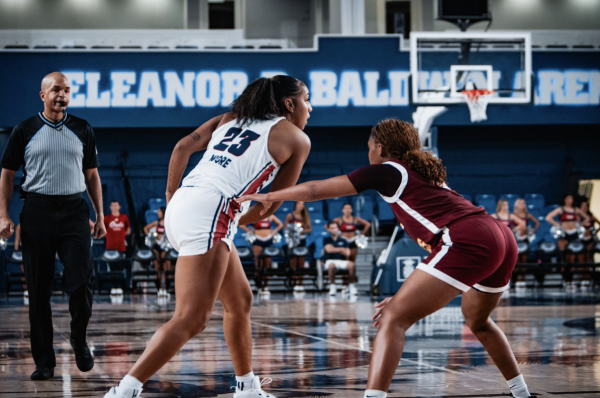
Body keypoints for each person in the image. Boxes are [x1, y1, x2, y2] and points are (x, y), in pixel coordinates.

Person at [238, 118, 536, 398]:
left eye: (370, 146)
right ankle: (521, 392)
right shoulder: (426, 171)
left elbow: (316, 190)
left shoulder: (389, 170)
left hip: (468, 237)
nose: (369, 151)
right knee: (478, 321)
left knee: (392, 318)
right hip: (501, 237)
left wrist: (270, 196)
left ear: (380, 148)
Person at [104, 75, 311, 398]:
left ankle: (247, 387)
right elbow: (269, 206)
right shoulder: (297, 139)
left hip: (185, 201)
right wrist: (231, 217)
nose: (310, 108)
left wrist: (172, 196)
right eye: (306, 100)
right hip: (211, 210)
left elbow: (182, 146)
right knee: (192, 318)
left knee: (240, 300)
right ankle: (123, 391)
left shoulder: (230, 118)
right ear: (289, 104)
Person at [0, 72, 106, 381]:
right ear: (42, 95)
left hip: (74, 211)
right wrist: (3, 215)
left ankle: (78, 339)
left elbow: (92, 175)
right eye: (56, 89)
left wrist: (99, 214)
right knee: (39, 291)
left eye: (67, 90)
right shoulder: (25, 130)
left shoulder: (83, 129)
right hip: (37, 211)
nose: (62, 94)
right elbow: (7, 174)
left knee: (82, 282)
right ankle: (44, 362)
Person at [239, 214, 283, 296]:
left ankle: (265, 287)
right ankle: (258, 286)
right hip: (258, 240)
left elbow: (280, 224)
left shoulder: (271, 216)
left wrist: (274, 231)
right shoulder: (256, 215)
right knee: (258, 264)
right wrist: (249, 231)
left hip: (268, 240)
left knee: (267, 264)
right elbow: (241, 223)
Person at [545, 194, 590, 261]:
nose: (570, 200)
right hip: (564, 233)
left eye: (571, 199)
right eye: (568, 198)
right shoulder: (561, 209)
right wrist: (557, 224)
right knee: (563, 254)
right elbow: (548, 217)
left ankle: (571, 270)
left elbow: (587, 218)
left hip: (574, 233)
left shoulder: (576, 210)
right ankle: (563, 270)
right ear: (565, 200)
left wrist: (580, 224)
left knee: (572, 255)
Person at [322, 222, 356, 296]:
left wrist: (334, 248)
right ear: (328, 229)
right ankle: (332, 287)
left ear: (338, 228)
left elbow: (347, 253)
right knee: (331, 266)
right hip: (330, 260)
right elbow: (328, 250)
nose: (333, 230)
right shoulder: (326, 239)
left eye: (335, 227)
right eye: (331, 228)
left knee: (351, 265)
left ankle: (351, 285)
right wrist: (341, 249)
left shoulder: (343, 240)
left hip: (342, 261)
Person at [284, 201, 312, 291]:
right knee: (293, 262)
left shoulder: (305, 217)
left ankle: (300, 284)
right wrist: (293, 231)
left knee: (301, 262)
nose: (300, 206)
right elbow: (285, 228)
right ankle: (293, 283)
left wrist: (301, 231)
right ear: (295, 205)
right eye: (299, 204)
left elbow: (309, 229)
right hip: (292, 241)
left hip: (301, 240)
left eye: (302, 204)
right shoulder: (290, 215)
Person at [144, 206, 170, 297]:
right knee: (157, 267)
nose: (158, 213)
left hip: (165, 246)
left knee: (165, 267)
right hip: (156, 245)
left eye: (160, 212)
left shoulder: (168, 223)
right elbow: (145, 228)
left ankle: (166, 289)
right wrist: (151, 236)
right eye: (158, 212)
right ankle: (158, 289)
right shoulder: (156, 223)